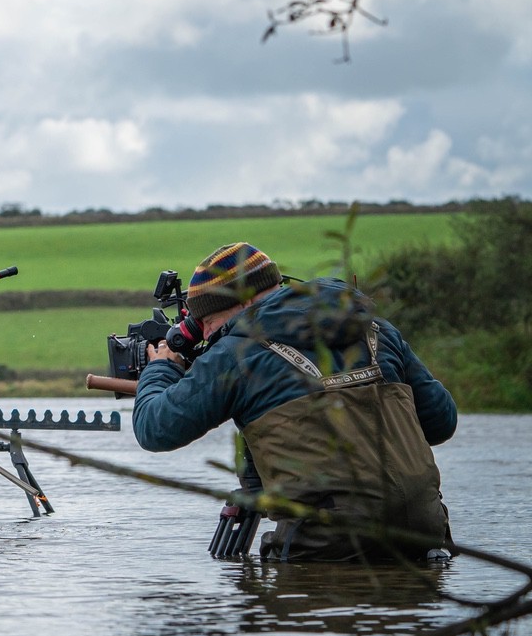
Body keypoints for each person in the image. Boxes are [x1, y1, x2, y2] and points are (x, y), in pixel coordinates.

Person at [131, 241, 457, 562]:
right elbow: (441, 421)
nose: (205, 334)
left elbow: (155, 429)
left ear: (242, 305)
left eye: (208, 321)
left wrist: (161, 367)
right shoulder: (377, 329)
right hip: (424, 534)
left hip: (327, 544)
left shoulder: (236, 354)